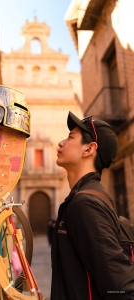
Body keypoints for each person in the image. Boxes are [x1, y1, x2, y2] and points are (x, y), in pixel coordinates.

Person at [51, 111, 134, 300]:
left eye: (70, 137)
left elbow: (120, 288)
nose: (61, 143)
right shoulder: (85, 198)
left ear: (88, 149)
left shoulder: (85, 204)